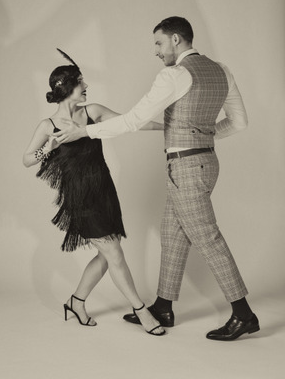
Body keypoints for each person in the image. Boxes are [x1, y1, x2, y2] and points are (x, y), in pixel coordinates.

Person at [53, 17, 260, 341]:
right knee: (171, 232)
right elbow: (240, 121)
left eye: (159, 43)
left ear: (176, 40)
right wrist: (205, 138)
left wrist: (85, 131)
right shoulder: (222, 69)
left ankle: (243, 314)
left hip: (186, 167)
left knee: (207, 238)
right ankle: (164, 306)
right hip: (205, 162)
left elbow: (135, 120)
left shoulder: (174, 74)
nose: (156, 51)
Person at [23, 49, 165, 336]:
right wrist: (46, 149)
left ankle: (76, 302)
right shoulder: (48, 125)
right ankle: (141, 310)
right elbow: (27, 159)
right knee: (112, 252)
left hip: (103, 189)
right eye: (81, 83)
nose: (86, 87)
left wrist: (170, 128)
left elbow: (131, 122)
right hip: (80, 197)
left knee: (106, 255)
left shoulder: (93, 111)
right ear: (67, 88)